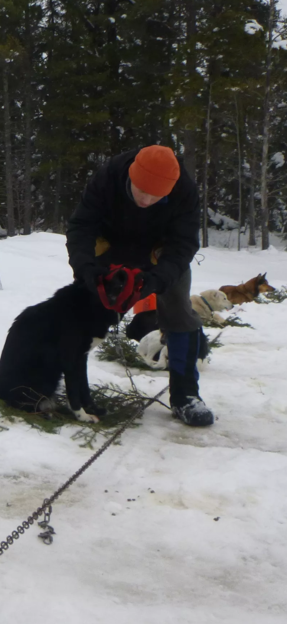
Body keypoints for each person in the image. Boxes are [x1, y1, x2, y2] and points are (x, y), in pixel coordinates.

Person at [66, 144, 214, 427]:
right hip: (110, 242)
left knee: (179, 310)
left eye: (157, 196)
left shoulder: (184, 190)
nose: (147, 200)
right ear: (130, 178)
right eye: (141, 192)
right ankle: (72, 389)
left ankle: (186, 396)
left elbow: (182, 245)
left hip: (160, 251)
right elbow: (81, 226)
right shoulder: (108, 176)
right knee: (81, 309)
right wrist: (85, 269)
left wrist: (156, 280)